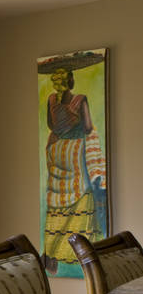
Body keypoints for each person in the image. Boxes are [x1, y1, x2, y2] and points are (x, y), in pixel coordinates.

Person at [43, 67, 106, 275]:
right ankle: (81, 255)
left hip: (56, 151)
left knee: (56, 201)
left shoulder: (51, 100)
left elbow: (50, 124)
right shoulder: (80, 100)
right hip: (74, 152)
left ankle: (51, 257)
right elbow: (87, 127)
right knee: (80, 196)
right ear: (70, 81)